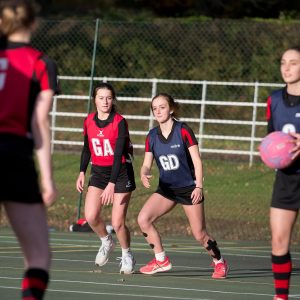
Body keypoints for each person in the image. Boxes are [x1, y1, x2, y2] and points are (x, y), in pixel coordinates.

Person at [0, 1, 58, 299]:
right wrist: (47, 180)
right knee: (37, 255)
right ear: (34, 24)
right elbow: (39, 123)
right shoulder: (40, 62)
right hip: (13, 154)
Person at [137, 93, 229, 278]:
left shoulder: (183, 130)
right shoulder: (152, 135)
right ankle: (161, 259)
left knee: (199, 234)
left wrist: (198, 186)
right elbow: (147, 162)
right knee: (143, 219)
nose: (158, 111)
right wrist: (144, 172)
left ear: (171, 109)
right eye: (155, 108)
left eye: (162, 107)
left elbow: (197, 161)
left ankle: (219, 262)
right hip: (167, 189)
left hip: (189, 188)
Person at [76, 82, 136, 274]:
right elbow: (87, 148)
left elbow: (119, 155)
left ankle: (127, 254)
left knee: (118, 222)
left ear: (113, 100)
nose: (105, 101)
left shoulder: (119, 122)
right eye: (101, 98)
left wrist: (112, 183)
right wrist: (82, 172)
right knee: (91, 216)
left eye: (109, 98)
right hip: (99, 173)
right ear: (94, 100)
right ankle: (106, 241)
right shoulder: (88, 121)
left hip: (120, 173)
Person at [266, 46, 300, 300]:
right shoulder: (274, 100)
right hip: (287, 178)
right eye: (283, 62)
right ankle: (281, 297)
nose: (286, 68)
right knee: (278, 240)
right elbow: (272, 137)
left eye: (293, 63)